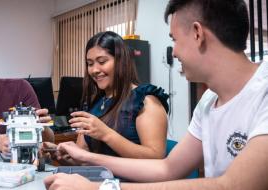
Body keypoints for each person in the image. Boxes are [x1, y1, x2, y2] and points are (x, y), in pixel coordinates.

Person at [44, 0, 268, 189]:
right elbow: (168, 167)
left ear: (198, 33)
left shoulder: (264, 91)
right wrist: (86, 158)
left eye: (175, 40)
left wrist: (101, 187)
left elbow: (231, 185)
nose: (175, 51)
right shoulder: (209, 102)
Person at [42, 31, 169, 165]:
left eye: (102, 61)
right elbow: (84, 162)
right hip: (98, 183)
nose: (94, 70)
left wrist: (106, 134)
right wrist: (60, 155)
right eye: (90, 64)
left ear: (121, 61)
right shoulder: (95, 104)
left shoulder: (146, 100)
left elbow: (156, 159)